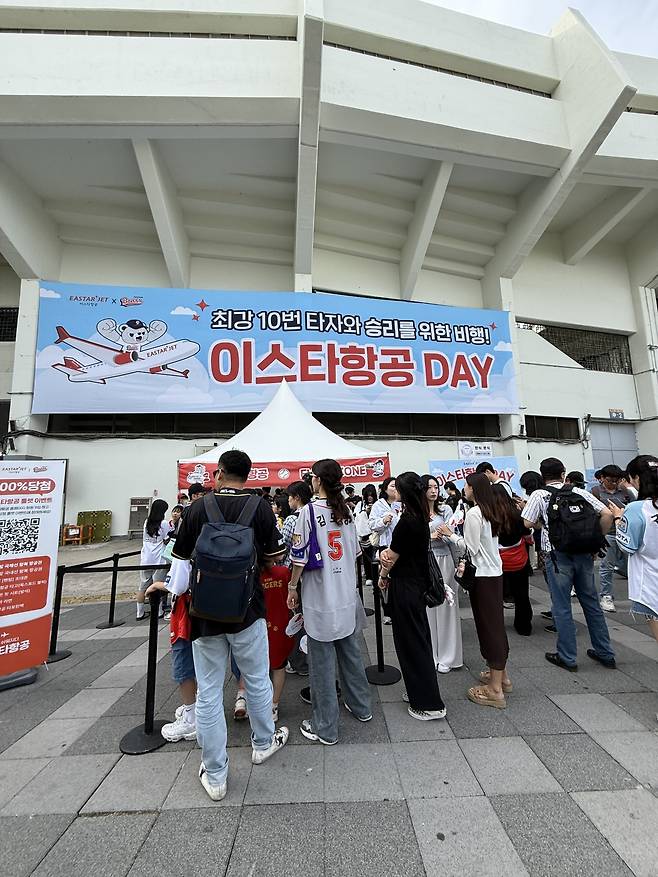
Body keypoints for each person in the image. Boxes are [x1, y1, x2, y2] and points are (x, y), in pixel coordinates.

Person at [156, 449, 289, 801]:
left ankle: (215, 774)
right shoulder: (260, 507)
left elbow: (180, 566)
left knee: (210, 690)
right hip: (248, 610)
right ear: (248, 475)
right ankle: (262, 742)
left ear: (219, 473)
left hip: (204, 615)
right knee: (257, 679)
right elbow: (276, 556)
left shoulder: (198, 507)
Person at [287, 458, 372, 745]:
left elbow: (298, 557)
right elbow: (357, 554)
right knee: (350, 652)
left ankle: (325, 727)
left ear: (319, 480)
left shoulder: (308, 512)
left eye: (312, 476)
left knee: (322, 663)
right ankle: (361, 706)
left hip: (320, 597)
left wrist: (291, 586)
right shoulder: (345, 510)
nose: (310, 480)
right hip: (345, 593)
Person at [523, 457, 616, 672]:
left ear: (542, 475)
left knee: (562, 606)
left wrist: (543, 523)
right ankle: (605, 653)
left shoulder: (539, 494)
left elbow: (527, 522)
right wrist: (595, 541)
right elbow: (607, 514)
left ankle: (567, 657)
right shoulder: (578, 492)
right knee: (591, 604)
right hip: (584, 554)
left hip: (556, 555)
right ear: (563, 473)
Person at [379, 472, 446, 721]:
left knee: (411, 644)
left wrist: (382, 573)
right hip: (416, 585)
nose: (393, 489)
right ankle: (419, 691)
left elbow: (391, 557)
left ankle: (428, 703)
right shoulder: (419, 517)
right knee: (419, 640)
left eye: (396, 487)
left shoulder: (407, 520)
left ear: (403, 493)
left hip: (405, 587)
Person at [442, 473, 511, 708]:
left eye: (466, 486)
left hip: (482, 576)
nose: (464, 490)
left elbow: (470, 548)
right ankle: (501, 676)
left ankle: (495, 690)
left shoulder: (474, 513)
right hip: (495, 572)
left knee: (488, 627)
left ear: (473, 489)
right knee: (496, 624)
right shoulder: (493, 509)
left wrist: (450, 536)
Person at [614, 455, 658, 648]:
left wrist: (618, 518)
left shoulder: (637, 508)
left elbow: (627, 545)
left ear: (637, 478)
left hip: (651, 582)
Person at [422, 474, 463, 673]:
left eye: (436, 486)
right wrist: (429, 536)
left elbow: (453, 536)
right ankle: (430, 653)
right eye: (429, 487)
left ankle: (448, 656)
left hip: (445, 560)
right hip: (425, 562)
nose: (433, 490)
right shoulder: (415, 511)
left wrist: (444, 535)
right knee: (428, 607)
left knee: (447, 606)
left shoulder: (445, 509)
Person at [591, 464, 634, 612]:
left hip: (626, 533)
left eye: (617, 480)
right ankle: (606, 596)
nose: (614, 483)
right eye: (610, 480)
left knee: (633, 565)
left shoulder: (626, 492)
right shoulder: (595, 492)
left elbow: (634, 510)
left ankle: (637, 597)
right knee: (606, 566)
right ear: (602, 478)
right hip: (607, 534)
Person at [281, 480, 312, 676]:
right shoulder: (315, 513)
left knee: (296, 617)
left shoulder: (293, 519)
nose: (288, 501)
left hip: (294, 573)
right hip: (313, 574)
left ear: (297, 498)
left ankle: (298, 661)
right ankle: (310, 658)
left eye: (290, 498)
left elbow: (283, 546)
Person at [493, 483, 533, 636]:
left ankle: (495, 627)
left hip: (498, 560)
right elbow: (526, 533)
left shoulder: (489, 516)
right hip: (518, 559)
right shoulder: (517, 514)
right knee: (522, 594)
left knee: (496, 595)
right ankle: (524, 626)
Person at [260, 556, 294, 721]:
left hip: (259, 627)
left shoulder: (255, 576)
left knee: (258, 669)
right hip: (281, 625)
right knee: (279, 667)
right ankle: (274, 705)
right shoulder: (284, 573)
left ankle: (257, 704)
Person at [369, 477, 400, 623]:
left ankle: (399, 609)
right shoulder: (379, 505)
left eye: (397, 486)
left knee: (399, 579)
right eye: (392, 486)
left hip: (401, 546)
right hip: (385, 546)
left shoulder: (403, 504)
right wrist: (383, 521)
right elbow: (372, 524)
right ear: (385, 489)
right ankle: (387, 611)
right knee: (385, 578)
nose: (395, 488)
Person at [137, 498, 170, 621]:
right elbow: (166, 539)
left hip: (145, 559)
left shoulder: (146, 522)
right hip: (159, 559)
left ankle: (139, 613)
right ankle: (159, 611)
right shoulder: (164, 523)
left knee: (143, 586)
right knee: (157, 585)